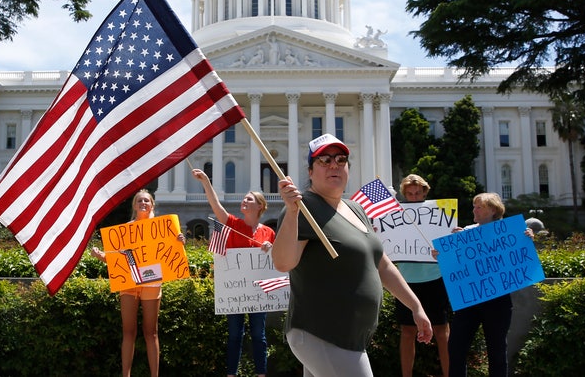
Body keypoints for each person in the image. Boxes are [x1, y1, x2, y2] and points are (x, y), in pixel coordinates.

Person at [272, 133, 434, 377]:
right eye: (324, 160)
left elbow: (382, 265)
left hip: (348, 338)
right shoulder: (304, 206)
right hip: (322, 333)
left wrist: (415, 306)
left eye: (340, 159)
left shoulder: (356, 209)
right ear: (310, 171)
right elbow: (283, 263)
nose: (334, 165)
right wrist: (293, 213)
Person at [90, 190, 184, 377]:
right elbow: (117, 259)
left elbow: (172, 254)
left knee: (151, 332)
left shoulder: (163, 228)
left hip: (152, 283)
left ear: (152, 205)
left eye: (147, 200)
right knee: (128, 332)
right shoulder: (125, 229)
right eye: (139, 200)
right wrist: (100, 255)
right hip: (128, 283)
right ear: (134, 205)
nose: (143, 203)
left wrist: (180, 241)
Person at [193, 168, 276, 377]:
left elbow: (277, 261)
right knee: (234, 336)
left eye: (249, 200)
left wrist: (270, 247)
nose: (244, 202)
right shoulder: (233, 224)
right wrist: (205, 182)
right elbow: (215, 205)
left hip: (258, 292)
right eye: (244, 200)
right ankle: (231, 374)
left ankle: (261, 374)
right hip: (235, 293)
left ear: (260, 206)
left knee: (259, 335)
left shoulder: (269, 232)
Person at [445, 193, 534, 377]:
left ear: (493, 210)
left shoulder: (509, 232)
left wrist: (527, 239)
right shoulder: (465, 232)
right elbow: (454, 264)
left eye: (479, 207)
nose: (474, 210)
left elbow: (520, 260)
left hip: (497, 301)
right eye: (474, 206)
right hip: (469, 299)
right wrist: (443, 253)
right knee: (455, 348)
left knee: (497, 351)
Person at [395, 174, 451, 377]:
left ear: (425, 192)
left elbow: (450, 243)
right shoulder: (396, 214)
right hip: (406, 281)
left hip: (435, 278)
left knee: (441, 331)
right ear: (404, 194)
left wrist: (452, 237)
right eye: (409, 193)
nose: (414, 196)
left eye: (418, 192)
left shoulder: (440, 213)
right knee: (408, 331)